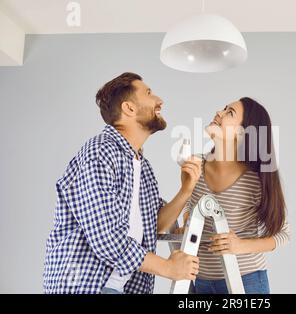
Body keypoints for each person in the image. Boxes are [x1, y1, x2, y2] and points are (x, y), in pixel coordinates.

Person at [43, 72, 202, 294]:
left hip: (120, 287)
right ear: (129, 108)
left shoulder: (141, 166)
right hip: (86, 287)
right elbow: (107, 238)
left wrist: (186, 190)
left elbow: (153, 226)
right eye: (148, 93)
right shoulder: (100, 153)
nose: (159, 100)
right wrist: (167, 267)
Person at [180, 97, 290, 294]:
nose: (219, 112)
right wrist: (188, 219)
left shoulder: (255, 181)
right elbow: (190, 204)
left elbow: (283, 234)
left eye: (229, 112)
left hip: (246, 282)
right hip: (201, 282)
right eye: (223, 108)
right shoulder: (196, 165)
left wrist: (240, 246)